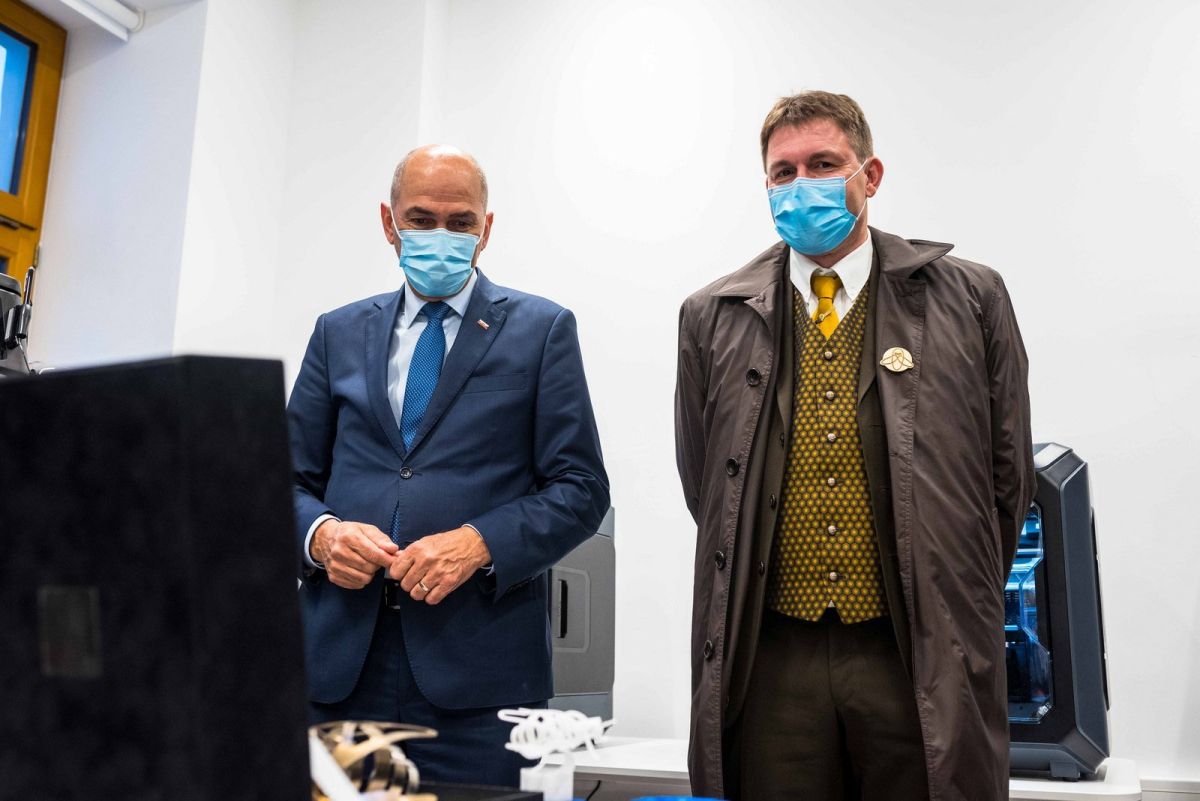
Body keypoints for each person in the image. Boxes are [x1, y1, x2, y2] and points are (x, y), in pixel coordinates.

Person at [674, 91, 1035, 801]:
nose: (801, 184)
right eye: (783, 172)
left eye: (823, 164)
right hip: (773, 658)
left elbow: (1007, 480)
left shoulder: (971, 298)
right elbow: (706, 484)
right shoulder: (711, 317)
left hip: (913, 652)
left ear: (870, 175)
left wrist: (948, 596)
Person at [288, 144, 609, 786]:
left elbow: (581, 488)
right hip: (340, 671)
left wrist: (478, 543)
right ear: (389, 223)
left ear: (486, 228)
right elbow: (282, 481)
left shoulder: (542, 329)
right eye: (421, 218)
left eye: (460, 222)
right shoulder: (337, 332)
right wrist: (321, 536)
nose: (441, 235)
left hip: (482, 682)